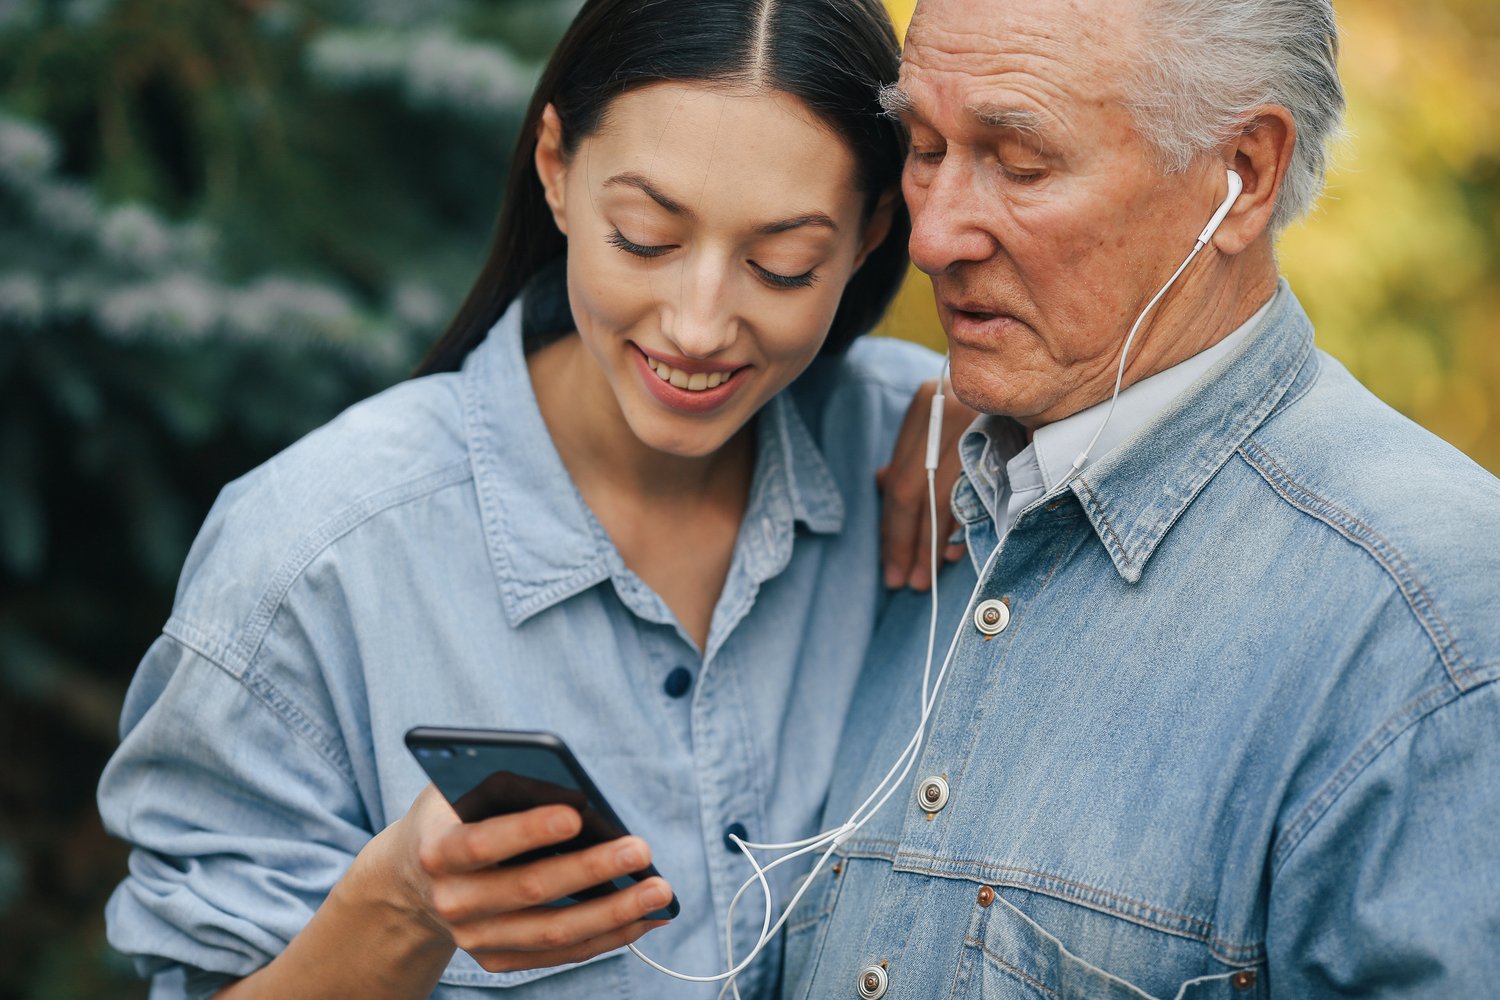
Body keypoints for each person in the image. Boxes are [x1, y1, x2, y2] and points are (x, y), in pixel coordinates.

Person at [95, 1, 971, 997]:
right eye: (644, 237)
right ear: (556, 168)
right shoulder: (312, 556)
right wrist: (400, 902)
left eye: (783, 265)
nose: (696, 325)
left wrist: (1011, 411)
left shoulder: (937, 452)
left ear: (869, 239)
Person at [785, 0, 1500, 997]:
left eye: (1020, 163)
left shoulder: (1433, 622)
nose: (932, 234)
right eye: (922, 146)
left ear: (1243, 174)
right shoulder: (889, 490)